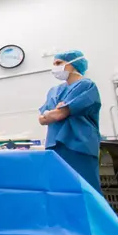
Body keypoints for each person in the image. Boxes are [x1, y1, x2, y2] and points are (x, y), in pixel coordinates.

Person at [39, 50, 102, 193]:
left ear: (74, 64)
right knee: (61, 188)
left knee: (85, 188)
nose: (55, 67)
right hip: (55, 146)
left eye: (58, 63)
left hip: (79, 145)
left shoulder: (86, 85)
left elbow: (59, 114)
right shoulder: (54, 91)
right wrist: (54, 113)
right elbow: (41, 119)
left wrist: (53, 113)